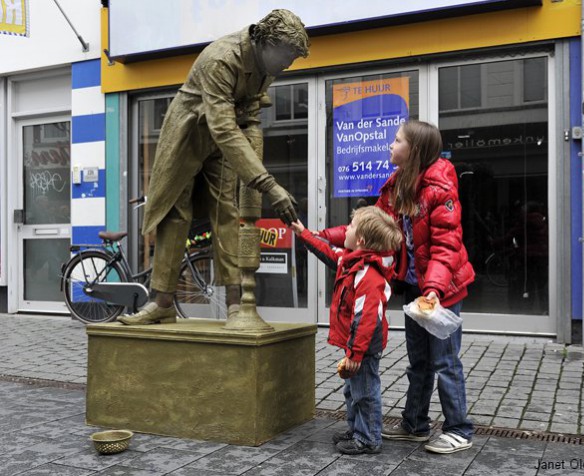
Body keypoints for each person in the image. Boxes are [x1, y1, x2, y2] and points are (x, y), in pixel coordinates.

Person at [119, 10, 309, 326]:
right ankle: (162, 302)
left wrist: (255, 161)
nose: (289, 64)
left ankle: (237, 306)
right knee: (175, 214)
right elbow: (221, 125)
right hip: (188, 135)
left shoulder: (266, 65)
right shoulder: (220, 59)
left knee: (227, 212)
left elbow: (247, 113)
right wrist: (268, 184)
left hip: (223, 142)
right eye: (288, 55)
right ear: (267, 42)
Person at [319, 120, 476, 454]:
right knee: (418, 361)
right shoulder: (398, 185)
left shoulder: (439, 188)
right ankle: (415, 424)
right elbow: (367, 227)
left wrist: (433, 288)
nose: (391, 145)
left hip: (442, 289)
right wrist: (321, 236)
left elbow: (446, 246)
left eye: (397, 140)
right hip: (419, 290)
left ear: (414, 150)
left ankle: (459, 429)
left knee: (445, 362)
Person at [290, 206, 402, 455]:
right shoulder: (352, 260)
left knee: (365, 391)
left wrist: (355, 354)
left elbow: (366, 320)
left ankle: (369, 438)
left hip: (364, 345)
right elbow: (327, 251)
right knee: (352, 389)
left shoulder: (368, 276)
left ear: (360, 240)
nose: (346, 229)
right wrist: (303, 233)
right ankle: (356, 429)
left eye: (350, 227)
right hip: (356, 345)